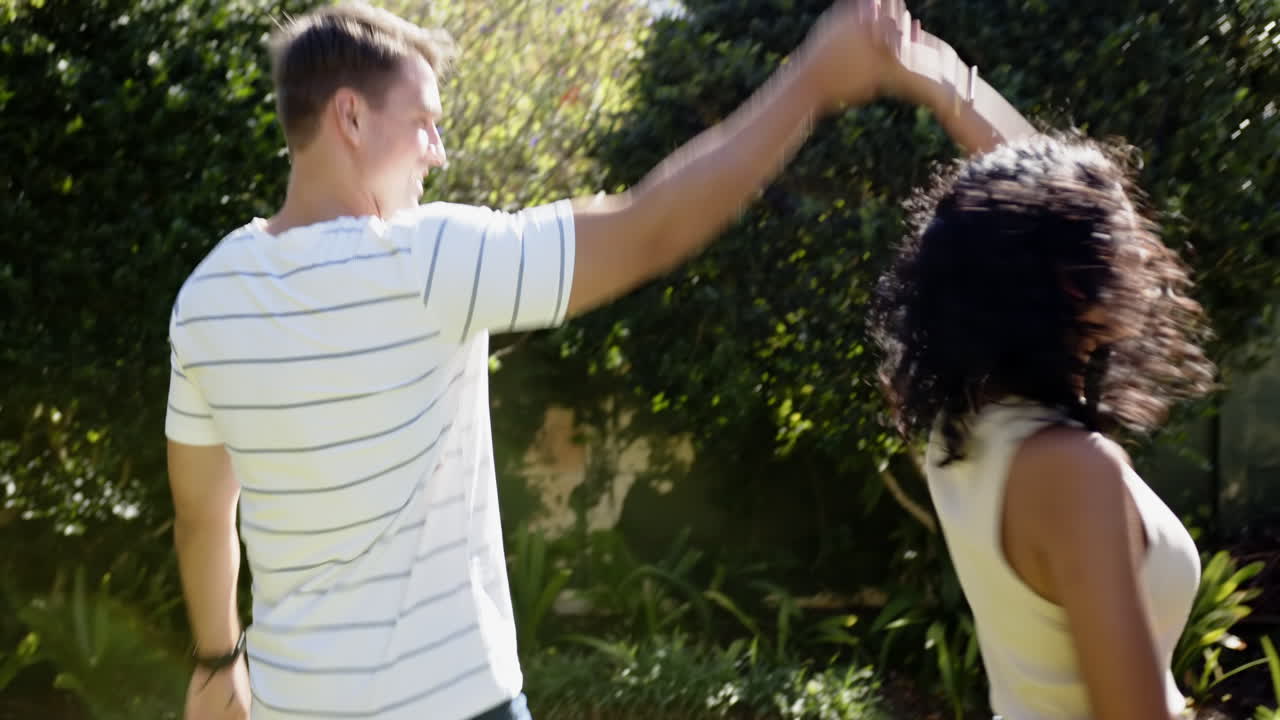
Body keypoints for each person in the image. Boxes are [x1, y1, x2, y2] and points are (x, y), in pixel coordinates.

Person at [163, 1, 1025, 718]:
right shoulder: (422, 262)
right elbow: (648, 227)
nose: (438, 151)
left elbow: (203, 513)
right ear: (350, 117)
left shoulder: (207, 298)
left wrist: (217, 662)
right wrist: (810, 81)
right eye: (423, 123)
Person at [869, 123, 1218, 716]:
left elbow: (1008, 212)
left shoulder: (963, 429)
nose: (1142, 252)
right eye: (1120, 234)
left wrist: (943, 90)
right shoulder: (1074, 471)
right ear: (1066, 278)